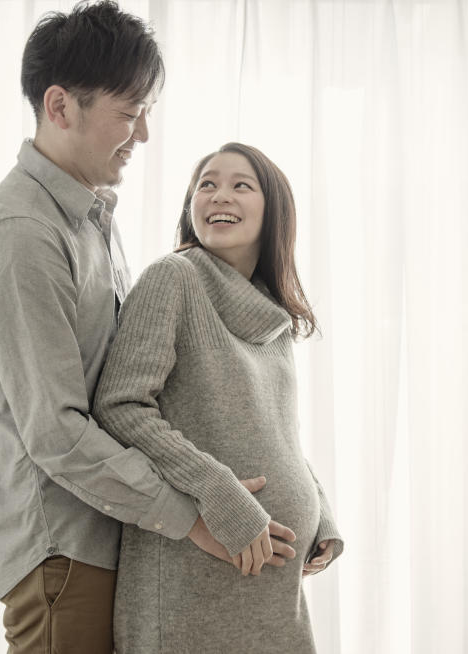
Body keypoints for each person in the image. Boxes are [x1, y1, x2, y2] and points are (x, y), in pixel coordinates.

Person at [0, 5, 295, 652]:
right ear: (60, 106)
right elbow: (56, 433)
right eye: (130, 113)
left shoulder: (87, 221)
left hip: (107, 543)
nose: (142, 135)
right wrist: (192, 517)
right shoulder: (20, 236)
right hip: (64, 553)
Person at [94, 142, 344, 653]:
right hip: (195, 570)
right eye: (205, 184)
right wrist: (218, 489)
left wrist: (319, 511)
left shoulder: (273, 317)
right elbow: (120, 405)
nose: (217, 195)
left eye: (239, 184)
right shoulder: (174, 278)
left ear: (273, 209)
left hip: (272, 582)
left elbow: (278, 436)